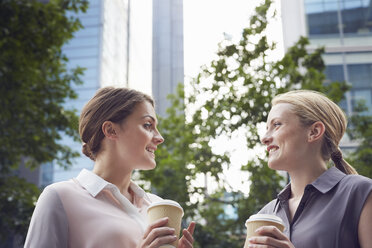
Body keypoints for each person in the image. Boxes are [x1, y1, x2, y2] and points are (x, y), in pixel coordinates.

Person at [25, 87, 196, 248]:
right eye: (147, 125)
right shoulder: (60, 197)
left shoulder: (156, 205)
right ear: (111, 130)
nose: (159, 137)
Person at [247, 90, 372, 248]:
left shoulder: (361, 192)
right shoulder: (265, 214)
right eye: (267, 128)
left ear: (314, 132)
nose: (264, 138)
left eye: (276, 125)